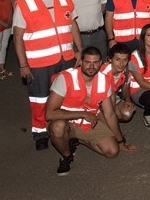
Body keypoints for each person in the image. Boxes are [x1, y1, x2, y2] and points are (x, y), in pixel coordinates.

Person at [13, 0, 82, 150]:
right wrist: (23, 65)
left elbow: (72, 25)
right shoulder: (24, 4)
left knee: (68, 96)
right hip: (39, 62)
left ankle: (71, 129)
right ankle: (40, 133)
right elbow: (18, 37)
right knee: (40, 99)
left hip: (66, 57)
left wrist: (79, 50)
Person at [46, 46, 136, 176]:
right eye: (88, 62)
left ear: (100, 63)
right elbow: (49, 114)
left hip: (89, 123)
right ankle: (67, 156)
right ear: (81, 62)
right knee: (58, 127)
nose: (91, 66)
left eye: (95, 63)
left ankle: (78, 140)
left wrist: (120, 141)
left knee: (112, 151)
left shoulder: (104, 80)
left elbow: (109, 113)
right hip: (66, 121)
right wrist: (82, 114)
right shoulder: (65, 78)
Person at [98, 42, 136, 122]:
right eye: (118, 59)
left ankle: (111, 120)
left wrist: (128, 101)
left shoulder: (125, 70)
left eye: (125, 60)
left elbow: (126, 86)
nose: (121, 64)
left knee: (127, 113)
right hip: (98, 102)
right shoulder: (102, 74)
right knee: (112, 115)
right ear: (110, 59)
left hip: (113, 97)